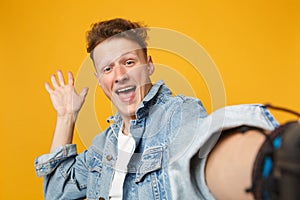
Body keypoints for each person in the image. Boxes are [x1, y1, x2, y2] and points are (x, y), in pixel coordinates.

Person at [34, 18, 300, 200]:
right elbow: (57, 192)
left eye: (128, 62)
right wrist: (66, 116)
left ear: (149, 65)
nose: (119, 75)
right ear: (100, 79)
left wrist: (273, 160)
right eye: (108, 68)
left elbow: (198, 158)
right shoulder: (102, 145)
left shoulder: (178, 113)